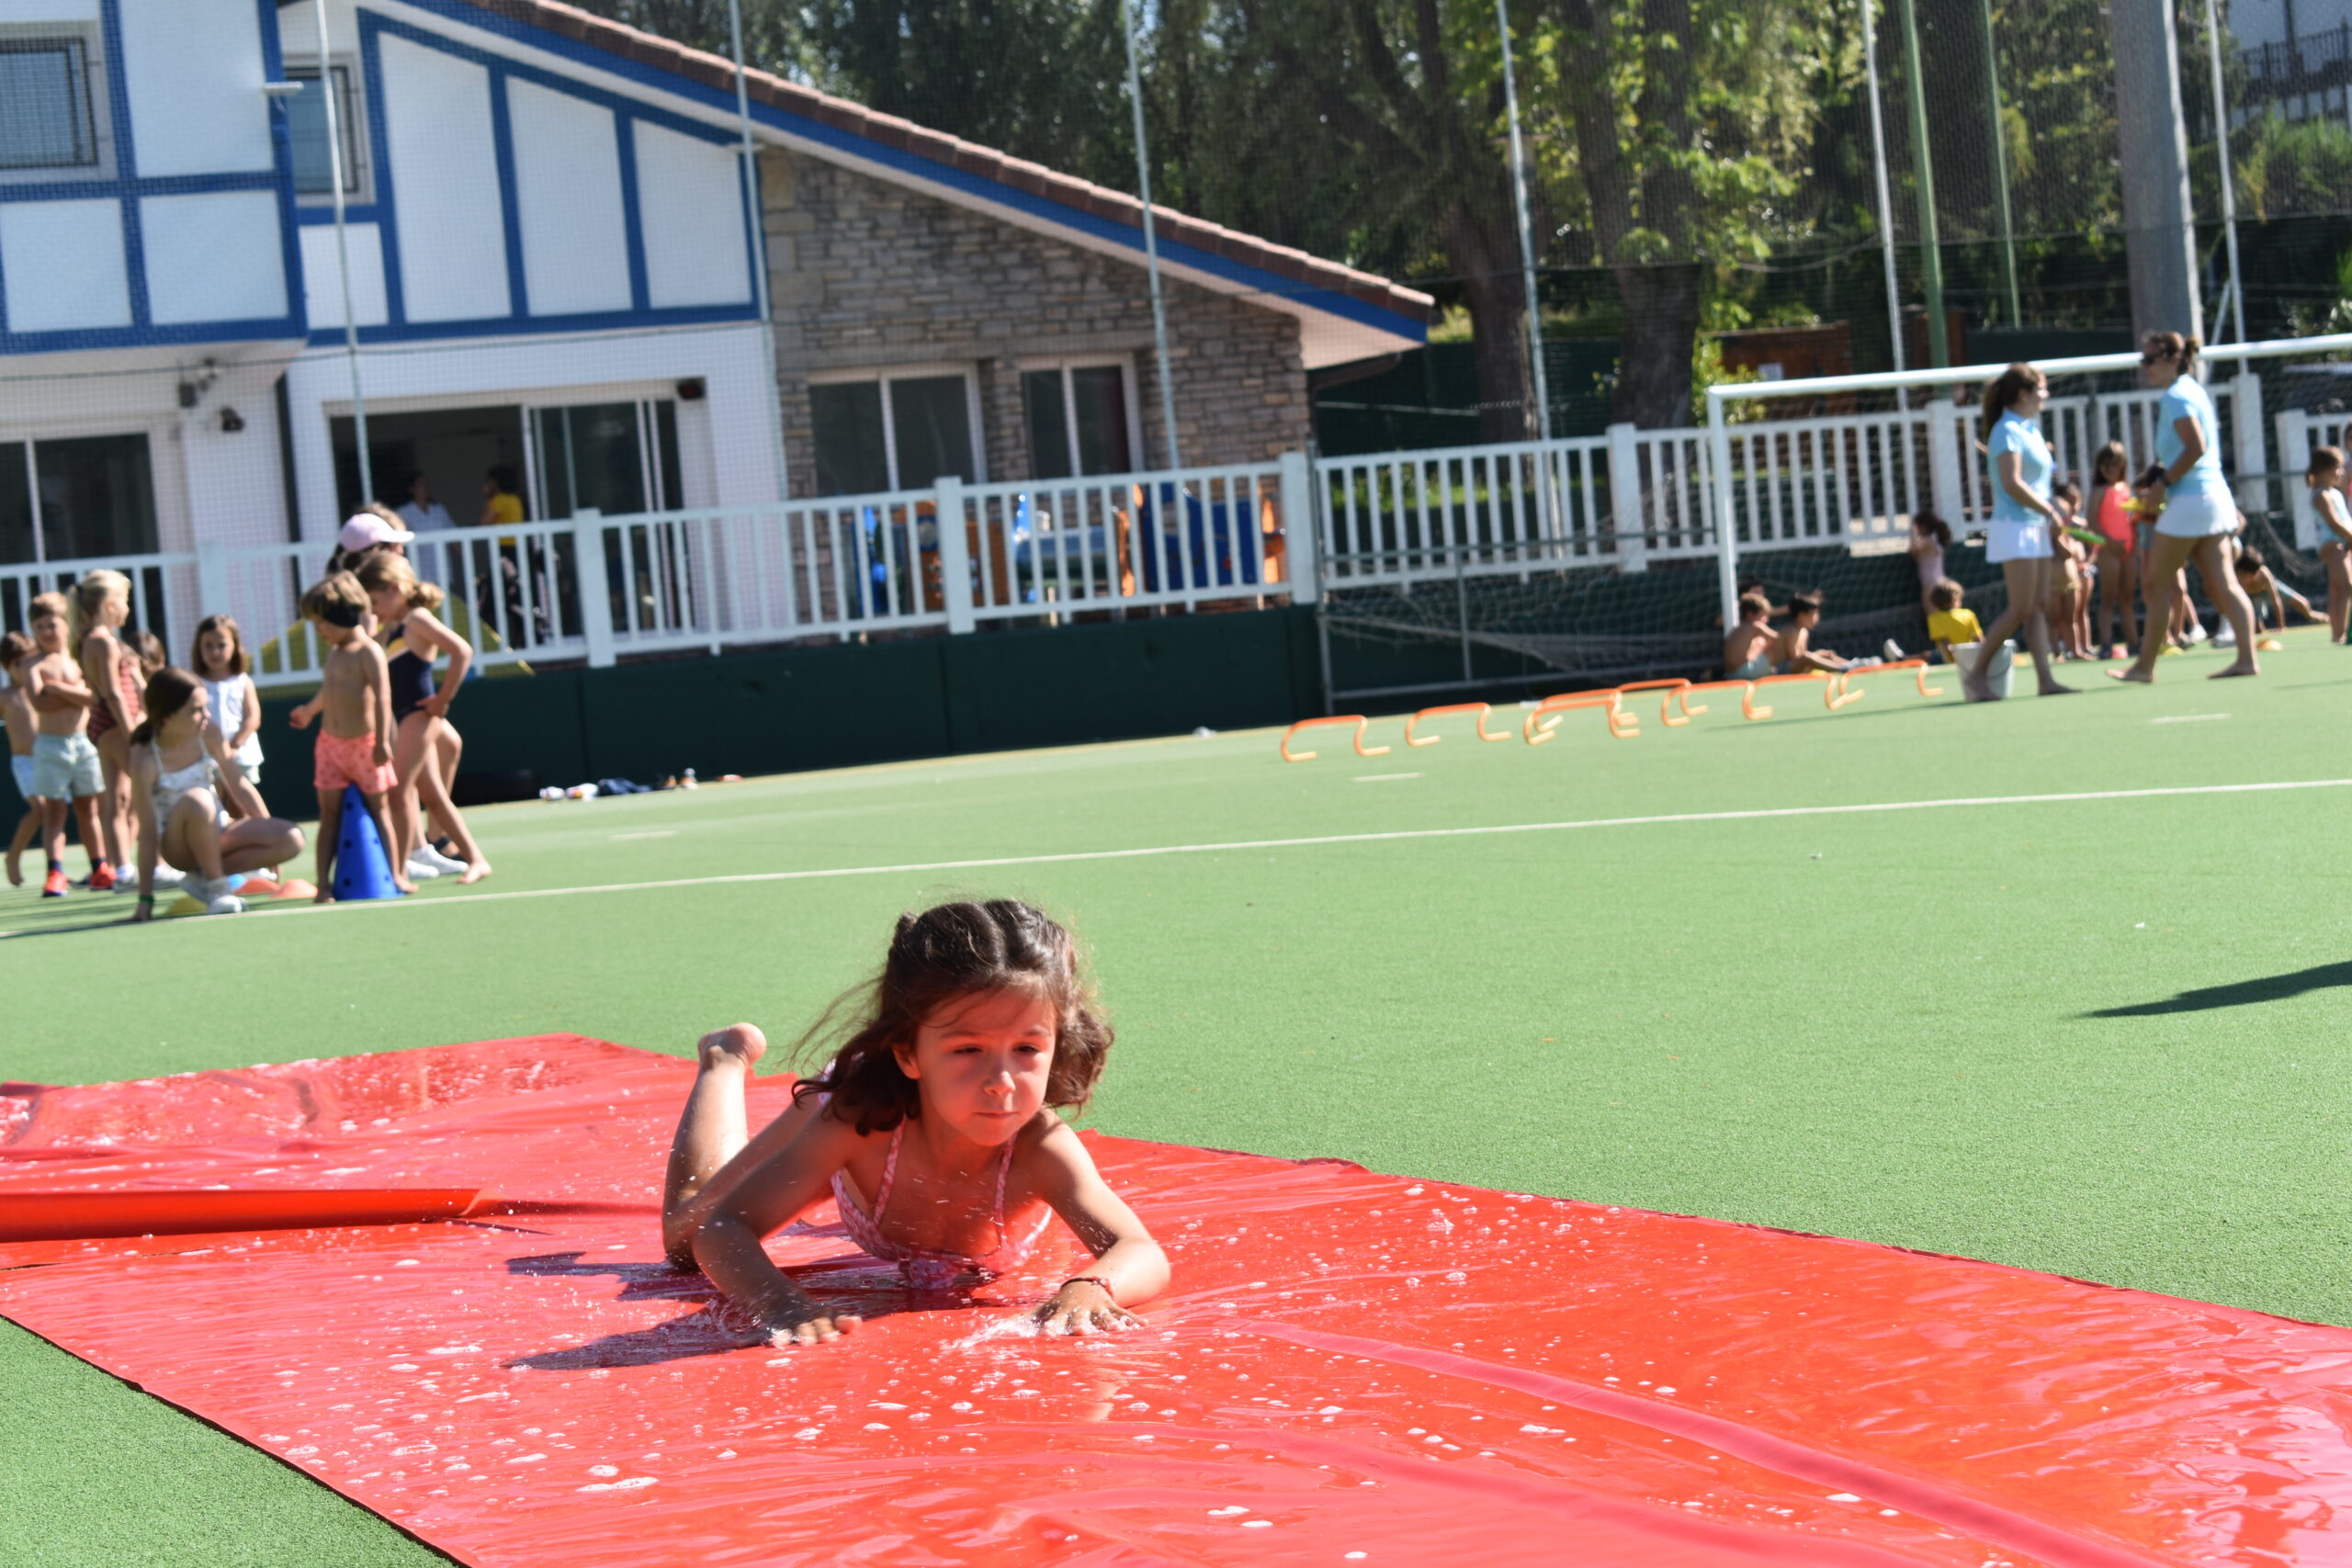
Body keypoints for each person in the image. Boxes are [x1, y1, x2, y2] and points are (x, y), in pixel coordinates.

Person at [663, 900, 1169, 1344]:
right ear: (908, 1054)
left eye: (1026, 1049)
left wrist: (1091, 1286)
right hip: (866, 1097)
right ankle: (723, 1062)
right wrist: (778, 1303)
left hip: (911, 1131)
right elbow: (720, 1230)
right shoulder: (854, 1124)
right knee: (684, 1235)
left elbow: (1139, 1249)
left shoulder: (1041, 1147)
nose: (1002, 1082)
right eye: (968, 1050)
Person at [2112, 333, 2260, 683]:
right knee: (2224, 584)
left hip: (2190, 502)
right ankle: (2247, 660)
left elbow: (2196, 447)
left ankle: (2144, 667)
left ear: (2172, 359)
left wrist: (2162, 484)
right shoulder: (2191, 390)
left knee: (2154, 584)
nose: (2144, 367)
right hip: (2212, 499)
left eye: (2150, 360)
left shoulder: (2175, 396)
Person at [127, 669, 304, 923]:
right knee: (199, 799)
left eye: (206, 707)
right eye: (196, 710)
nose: (206, 716)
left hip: (217, 829)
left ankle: (203, 879)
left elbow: (239, 784)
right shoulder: (144, 757)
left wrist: (265, 827)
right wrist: (145, 900)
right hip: (178, 848)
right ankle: (218, 888)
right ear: (168, 716)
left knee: (291, 839)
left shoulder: (209, 733)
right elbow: (147, 832)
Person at [356, 552, 490, 885]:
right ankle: (475, 859)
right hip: (406, 717)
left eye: (375, 602)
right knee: (431, 796)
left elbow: (461, 651)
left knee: (398, 792)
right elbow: (369, 654)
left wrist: (442, 701)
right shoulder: (394, 625)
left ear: (395, 588)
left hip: (418, 715)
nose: (374, 610)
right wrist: (370, 628)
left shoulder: (416, 619)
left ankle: (399, 868)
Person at [288, 572, 413, 902]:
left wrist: (382, 741)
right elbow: (330, 691)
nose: (319, 631)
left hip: (364, 748)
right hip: (331, 747)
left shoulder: (367, 651)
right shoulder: (335, 652)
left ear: (341, 616)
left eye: (322, 623)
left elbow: (383, 696)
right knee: (328, 816)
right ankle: (323, 883)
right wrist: (309, 711)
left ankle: (396, 874)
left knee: (380, 811)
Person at [1964, 364, 2074, 701]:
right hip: (2014, 528)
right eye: (2041, 388)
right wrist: (2048, 511)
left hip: (2035, 527)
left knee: (2038, 606)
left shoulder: (2030, 429)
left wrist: (2054, 512)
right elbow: (2011, 483)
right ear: (2024, 394)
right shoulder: (2006, 430)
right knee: (2020, 608)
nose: (2046, 394)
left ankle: (2046, 680)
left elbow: (2038, 484)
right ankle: (1976, 675)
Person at [21, 593, 109, 897]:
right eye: (40, 626)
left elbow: (93, 697)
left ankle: (100, 868)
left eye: (52, 624)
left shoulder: (78, 658)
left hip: (83, 743)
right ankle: (55, 873)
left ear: (66, 624)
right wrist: (74, 694)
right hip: (50, 746)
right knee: (54, 811)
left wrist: (58, 688)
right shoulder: (32, 663)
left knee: (88, 808)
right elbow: (39, 703)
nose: (46, 632)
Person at [69, 570, 143, 886]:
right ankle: (155, 863)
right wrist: (132, 731)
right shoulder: (104, 642)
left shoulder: (91, 640)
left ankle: (122, 868)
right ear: (110, 604)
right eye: (125, 600)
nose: (127, 608)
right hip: (115, 723)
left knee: (117, 797)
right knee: (147, 790)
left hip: (103, 724)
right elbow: (113, 692)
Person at [190, 615, 265, 799]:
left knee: (241, 804)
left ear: (235, 646)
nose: (215, 651)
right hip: (207, 759)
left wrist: (234, 746)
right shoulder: (194, 683)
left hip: (240, 758)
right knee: (214, 805)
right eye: (208, 645)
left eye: (221, 645)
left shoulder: (243, 681)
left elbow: (253, 718)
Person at [2087, 441, 2138, 658]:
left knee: (2127, 598)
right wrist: (2110, 543)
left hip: (2129, 550)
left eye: (2115, 464)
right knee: (2108, 598)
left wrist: (2133, 541)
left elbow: (2131, 518)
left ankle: (2134, 643)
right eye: (2106, 464)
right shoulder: (2099, 491)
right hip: (2109, 551)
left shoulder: (2125, 489)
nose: (2110, 469)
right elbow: (2092, 522)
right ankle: (2106, 644)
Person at [3, 632, 38, 886]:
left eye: (29, 662)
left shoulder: (41, 691)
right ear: (6, 666)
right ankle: (13, 857)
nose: (24, 669)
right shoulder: (6, 696)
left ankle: (55, 871)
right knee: (41, 809)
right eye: (17, 664)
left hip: (48, 759)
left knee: (54, 812)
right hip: (24, 762)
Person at [1773, 592, 1881, 674]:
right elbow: (1796, 658)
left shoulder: (1804, 631)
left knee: (1826, 655)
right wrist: (1818, 654)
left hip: (1797, 666)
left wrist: (1820, 654)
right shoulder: (1790, 631)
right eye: (1813, 614)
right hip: (1780, 671)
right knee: (1810, 657)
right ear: (1801, 615)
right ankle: (1844, 669)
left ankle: (1852, 664)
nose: (1817, 618)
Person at [2309, 446, 2352, 643]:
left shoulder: (2334, 492)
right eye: (2337, 468)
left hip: (2342, 544)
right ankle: (2341, 633)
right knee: (2347, 586)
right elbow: (2334, 522)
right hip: (2332, 545)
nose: (2341, 472)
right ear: (2323, 469)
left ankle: (2336, 634)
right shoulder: (2321, 495)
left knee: (2337, 589)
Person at [2047, 481, 2093, 660]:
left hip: (2070, 579)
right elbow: (2066, 553)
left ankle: (2076, 650)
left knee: (2071, 617)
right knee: (2054, 618)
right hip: (2052, 581)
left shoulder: (2068, 530)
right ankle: (2057, 653)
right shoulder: (2051, 533)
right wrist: (2058, 537)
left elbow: (2090, 541)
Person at [2230, 547, 2323, 632]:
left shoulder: (2264, 575)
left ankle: (2323, 618)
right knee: (2258, 629)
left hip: (2265, 591)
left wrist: (2281, 627)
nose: (2240, 577)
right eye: (2239, 573)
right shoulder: (2235, 578)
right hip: (2251, 597)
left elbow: (2276, 601)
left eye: (2244, 574)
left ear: (2256, 573)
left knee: (2303, 605)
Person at [398, 473, 461, 589]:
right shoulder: (404, 512)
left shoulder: (439, 510)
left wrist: (464, 555)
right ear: (411, 489)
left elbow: (452, 534)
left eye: (427, 484)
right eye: (421, 484)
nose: (426, 487)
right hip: (419, 571)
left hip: (442, 569)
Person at [1926, 580, 1984, 665]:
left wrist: (1952, 658)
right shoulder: (1968, 614)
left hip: (1948, 659)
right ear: (1954, 600)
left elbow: (1944, 642)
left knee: (1931, 657)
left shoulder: (1933, 618)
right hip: (1969, 656)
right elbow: (1978, 638)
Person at [1722, 592, 1777, 681]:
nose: (1766, 620)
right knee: (1765, 643)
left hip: (1730, 675)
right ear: (1750, 614)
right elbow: (1777, 638)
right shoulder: (1754, 625)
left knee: (1760, 642)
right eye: (1763, 615)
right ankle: (1779, 672)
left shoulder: (1735, 630)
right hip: (1745, 673)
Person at [1908, 512, 1951, 615]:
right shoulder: (1936, 539)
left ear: (1923, 527)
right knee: (1942, 615)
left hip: (1930, 585)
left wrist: (1913, 534)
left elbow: (1912, 550)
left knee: (1933, 616)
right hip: (1940, 580)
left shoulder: (1926, 541)